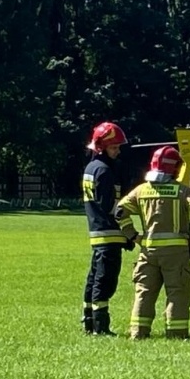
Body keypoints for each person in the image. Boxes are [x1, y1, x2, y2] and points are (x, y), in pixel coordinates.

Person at [117, 145, 190, 340]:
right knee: (177, 292)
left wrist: (134, 236)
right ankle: (176, 333)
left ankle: (138, 333)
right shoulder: (182, 191)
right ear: (175, 168)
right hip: (176, 253)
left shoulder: (141, 190)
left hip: (148, 251)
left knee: (144, 292)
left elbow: (120, 212)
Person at [82, 121, 130, 335]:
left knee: (94, 278)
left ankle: (89, 321)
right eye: (114, 147)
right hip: (109, 234)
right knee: (105, 281)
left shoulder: (91, 168)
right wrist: (128, 232)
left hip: (97, 232)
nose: (118, 151)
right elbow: (111, 206)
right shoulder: (104, 171)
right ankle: (101, 326)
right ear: (102, 147)